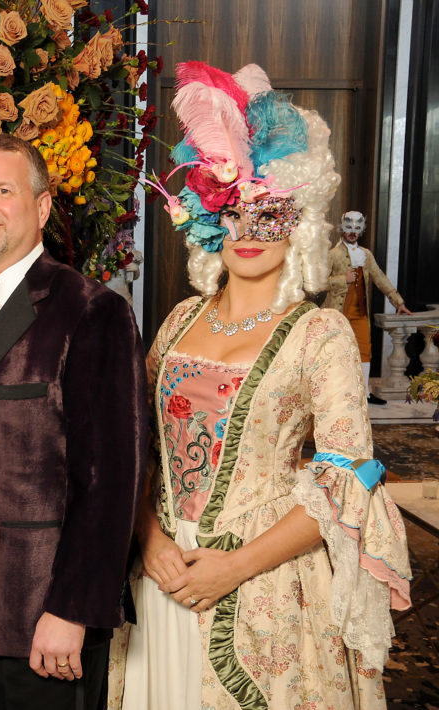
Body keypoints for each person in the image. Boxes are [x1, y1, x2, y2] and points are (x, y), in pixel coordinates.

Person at [108, 62, 412, 709]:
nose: (251, 231)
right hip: (159, 573)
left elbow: (345, 480)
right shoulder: (179, 320)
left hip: (263, 587)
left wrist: (234, 566)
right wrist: (149, 537)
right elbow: (136, 451)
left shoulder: (320, 332)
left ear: (297, 222)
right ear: (210, 218)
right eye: (234, 212)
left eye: (270, 214)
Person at [0, 134, 147, 709]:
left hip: (38, 616)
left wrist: (72, 609)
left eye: (2, 190)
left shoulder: (92, 311)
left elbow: (110, 480)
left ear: (43, 206)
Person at [323, 210, 412, 404]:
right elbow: (319, 282)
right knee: (336, 352)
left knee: (364, 350)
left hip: (361, 311)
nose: (352, 232)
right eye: (349, 227)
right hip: (338, 312)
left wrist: (399, 302)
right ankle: (335, 395)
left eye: (357, 228)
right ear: (342, 228)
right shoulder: (333, 254)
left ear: (362, 229)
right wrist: (342, 279)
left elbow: (380, 278)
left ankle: (364, 394)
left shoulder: (366, 255)